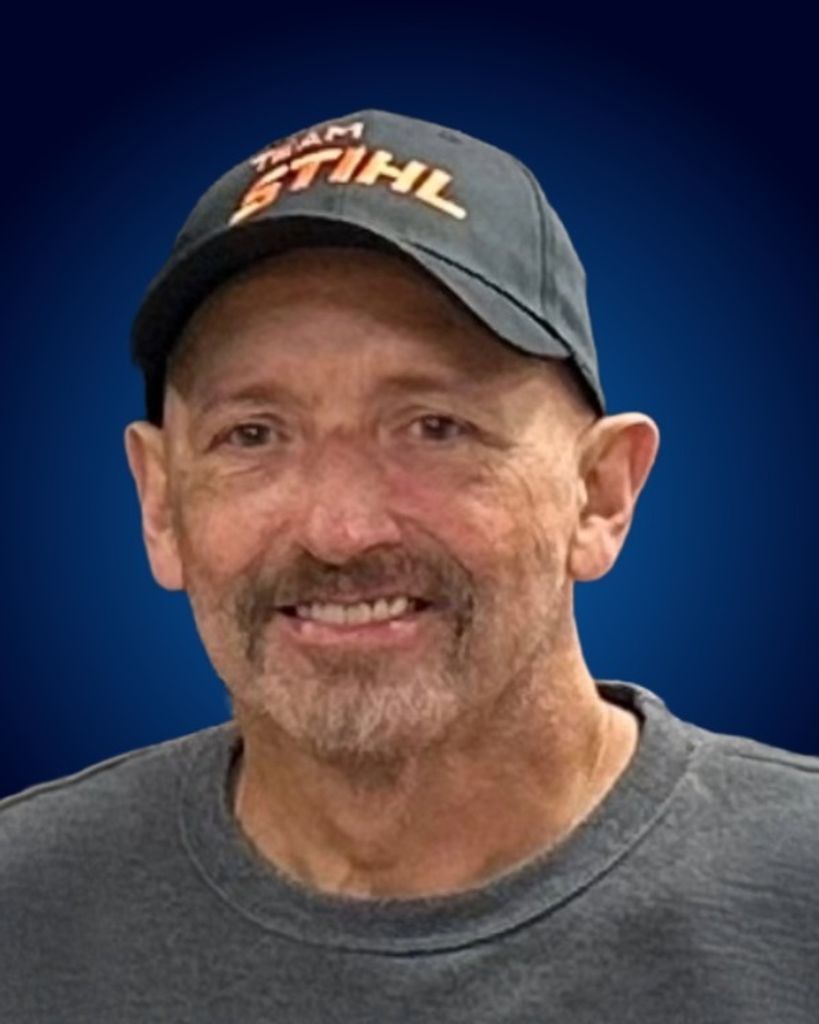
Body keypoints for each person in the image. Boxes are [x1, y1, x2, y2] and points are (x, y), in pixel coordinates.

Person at [1, 109, 817, 1023]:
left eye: (434, 427)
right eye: (253, 435)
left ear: (599, 494)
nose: (340, 530)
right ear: (160, 505)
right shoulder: (21, 914)